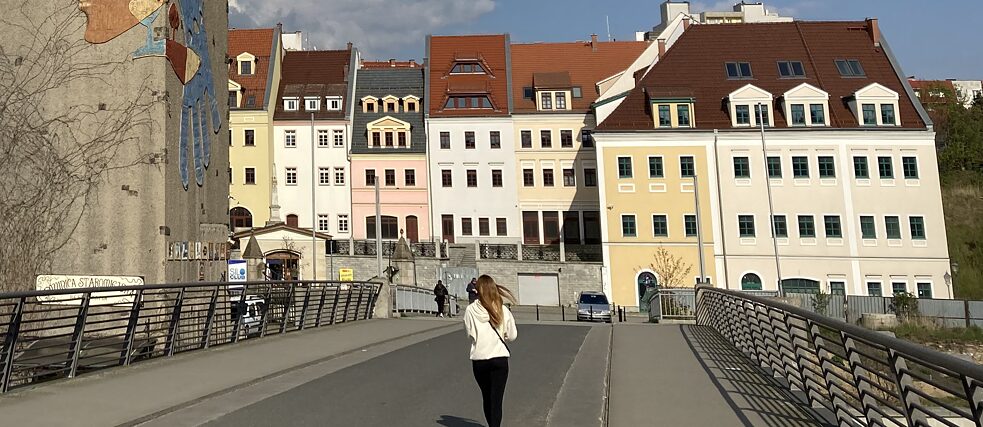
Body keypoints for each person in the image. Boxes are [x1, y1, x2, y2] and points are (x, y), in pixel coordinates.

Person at [463, 275, 517, 427]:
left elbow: (470, 334)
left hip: (480, 359)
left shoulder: (470, 310)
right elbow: (512, 335)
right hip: (499, 358)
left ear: (478, 289)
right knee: (497, 399)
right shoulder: (502, 309)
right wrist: (503, 334)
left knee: (487, 396)